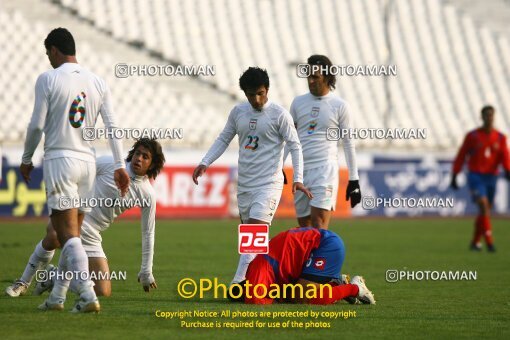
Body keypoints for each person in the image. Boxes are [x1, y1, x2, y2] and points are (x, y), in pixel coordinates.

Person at [19, 28, 130, 312]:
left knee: (66, 235)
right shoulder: (98, 82)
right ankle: (56, 298)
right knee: (75, 235)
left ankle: (87, 295)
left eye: (48, 54)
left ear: (55, 50)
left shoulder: (48, 78)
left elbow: (36, 125)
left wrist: (27, 157)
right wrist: (119, 165)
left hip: (60, 160)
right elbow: (113, 127)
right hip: (87, 163)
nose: (48, 59)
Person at [192, 67, 312, 285]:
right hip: (245, 185)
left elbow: (295, 145)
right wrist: (205, 161)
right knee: (253, 242)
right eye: (250, 94)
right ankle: (263, 283)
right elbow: (223, 138)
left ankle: (237, 283)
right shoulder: (238, 112)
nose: (256, 99)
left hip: (268, 184)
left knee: (253, 235)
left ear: (267, 89)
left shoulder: (279, 115)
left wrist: (298, 178)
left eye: (260, 93)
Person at [6, 138, 164, 298]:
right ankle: (23, 282)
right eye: (138, 153)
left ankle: (52, 277)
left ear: (152, 164)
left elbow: (148, 233)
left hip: (92, 234)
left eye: (145, 157)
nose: (139, 158)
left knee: (102, 291)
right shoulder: (111, 164)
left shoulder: (148, 194)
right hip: (73, 217)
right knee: (54, 236)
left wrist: (146, 270)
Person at [288, 55, 360, 229]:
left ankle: (321, 258)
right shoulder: (298, 103)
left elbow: (348, 142)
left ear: (327, 77)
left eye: (316, 77)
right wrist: (279, 165)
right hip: (301, 171)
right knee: (304, 228)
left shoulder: (340, 106)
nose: (311, 81)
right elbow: (290, 137)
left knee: (318, 224)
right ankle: (308, 258)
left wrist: (354, 180)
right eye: (308, 76)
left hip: (325, 169)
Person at [230, 227, 375, 305]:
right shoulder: (260, 270)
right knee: (296, 294)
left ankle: (354, 288)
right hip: (321, 242)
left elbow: (255, 300)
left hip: (324, 245)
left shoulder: (256, 275)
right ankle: (335, 283)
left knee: (302, 297)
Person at [451, 105, 510, 252]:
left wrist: (508, 170)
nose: (489, 118)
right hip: (476, 175)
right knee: (483, 205)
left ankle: (475, 242)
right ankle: (490, 243)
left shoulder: (500, 138)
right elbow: (462, 155)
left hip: (492, 177)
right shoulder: (472, 136)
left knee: (485, 211)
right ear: (481, 117)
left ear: (494, 117)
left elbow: (505, 156)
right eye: (486, 115)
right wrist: (455, 174)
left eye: (491, 115)